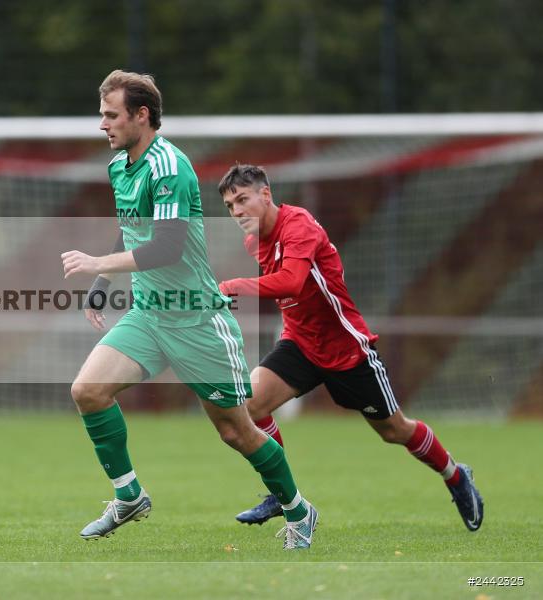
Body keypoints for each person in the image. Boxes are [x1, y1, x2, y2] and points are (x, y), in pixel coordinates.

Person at [60, 70, 318, 549]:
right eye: (101, 115)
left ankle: (299, 511)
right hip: (149, 314)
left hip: (197, 319)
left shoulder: (169, 167)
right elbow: (134, 230)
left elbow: (167, 247)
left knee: (237, 432)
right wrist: (103, 281)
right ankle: (129, 494)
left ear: (142, 115)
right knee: (88, 390)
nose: (103, 125)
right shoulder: (119, 166)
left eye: (111, 115)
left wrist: (98, 261)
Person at [216, 164, 483, 532]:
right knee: (249, 406)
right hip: (299, 345)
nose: (236, 211)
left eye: (242, 200)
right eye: (230, 206)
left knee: (394, 430)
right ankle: (283, 495)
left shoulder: (299, 225)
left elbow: (292, 282)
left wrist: (231, 287)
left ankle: (455, 475)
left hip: (346, 350)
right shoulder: (255, 240)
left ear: (265, 195)